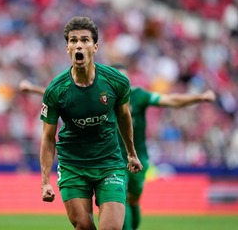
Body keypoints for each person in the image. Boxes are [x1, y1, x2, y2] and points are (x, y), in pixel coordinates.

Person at [19, 63, 217, 230]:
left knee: (132, 202)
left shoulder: (139, 96)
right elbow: (64, 96)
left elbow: (169, 99)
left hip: (137, 159)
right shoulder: (101, 94)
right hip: (111, 159)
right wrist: (34, 89)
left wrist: (199, 98)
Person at [34, 16, 143, 230]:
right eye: (73, 41)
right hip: (73, 164)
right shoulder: (56, 90)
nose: (78, 45)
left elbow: (124, 117)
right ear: (67, 48)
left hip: (109, 163)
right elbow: (48, 138)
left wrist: (131, 153)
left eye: (84, 40)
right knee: (83, 226)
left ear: (95, 46)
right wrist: (45, 181)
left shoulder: (116, 82)